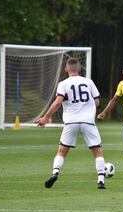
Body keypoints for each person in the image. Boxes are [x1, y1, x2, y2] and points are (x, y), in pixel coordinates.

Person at [37, 57, 107, 189]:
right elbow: (97, 103)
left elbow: (58, 102)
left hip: (71, 122)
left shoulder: (63, 84)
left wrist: (46, 118)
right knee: (97, 152)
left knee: (62, 152)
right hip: (88, 122)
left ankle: (55, 172)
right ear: (80, 69)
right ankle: (101, 181)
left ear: (66, 70)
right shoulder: (89, 82)